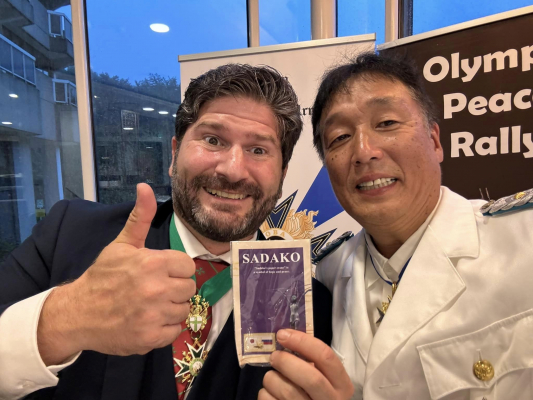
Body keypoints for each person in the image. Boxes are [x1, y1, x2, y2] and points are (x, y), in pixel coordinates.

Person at [0, 64, 336, 400]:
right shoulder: (70, 237)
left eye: (258, 150)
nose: (233, 170)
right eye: (213, 140)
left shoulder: (310, 307)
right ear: (174, 153)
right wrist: (66, 317)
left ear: (282, 173)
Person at [305, 52, 533, 399]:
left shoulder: (523, 241)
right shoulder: (327, 275)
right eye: (340, 137)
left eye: (386, 123)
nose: (364, 151)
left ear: (435, 141)